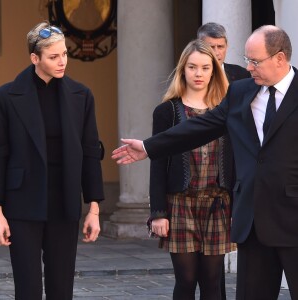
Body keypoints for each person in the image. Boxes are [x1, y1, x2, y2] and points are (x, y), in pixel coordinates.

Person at [112, 25, 298, 299]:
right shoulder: (241, 93)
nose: (248, 68)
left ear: (280, 58)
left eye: (255, 61)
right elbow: (200, 127)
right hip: (254, 224)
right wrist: (149, 147)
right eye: (247, 60)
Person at [0, 21, 104, 300]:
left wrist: (93, 208)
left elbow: (90, 151)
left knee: (61, 289)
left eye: (65, 54)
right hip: (22, 203)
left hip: (64, 201)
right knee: (28, 289)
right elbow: (0, 154)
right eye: (53, 57)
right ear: (35, 58)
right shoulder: (6, 96)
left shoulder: (81, 96)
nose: (62, 62)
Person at [148, 39, 235, 300]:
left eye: (205, 68)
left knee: (212, 281)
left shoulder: (227, 110)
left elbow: (239, 161)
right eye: (192, 67)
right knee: (186, 279)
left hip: (218, 204)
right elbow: (157, 163)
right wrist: (158, 213)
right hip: (180, 205)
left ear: (214, 70)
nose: (198, 74)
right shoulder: (168, 111)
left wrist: (239, 207)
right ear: (182, 69)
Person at [197, 21, 250, 300]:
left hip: (237, 166)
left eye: (221, 47)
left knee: (223, 247)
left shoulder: (241, 77)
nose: (216, 52)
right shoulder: (192, 76)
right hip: (203, 169)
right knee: (206, 260)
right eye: (211, 47)